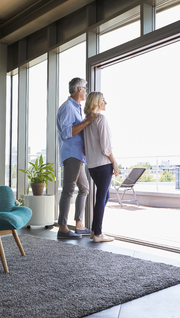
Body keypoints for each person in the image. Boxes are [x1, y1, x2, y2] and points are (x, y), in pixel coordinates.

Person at [56, 78, 98, 239]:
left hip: (78, 155)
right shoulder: (67, 108)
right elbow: (67, 133)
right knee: (68, 189)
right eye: (85, 88)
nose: (86, 91)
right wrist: (87, 121)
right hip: (71, 154)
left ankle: (79, 224)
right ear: (79, 89)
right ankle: (63, 228)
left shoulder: (77, 108)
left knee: (85, 188)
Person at [83, 92, 120, 243]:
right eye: (103, 100)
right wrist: (114, 163)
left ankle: (94, 230)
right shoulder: (101, 119)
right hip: (103, 164)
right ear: (97, 102)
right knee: (101, 197)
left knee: (105, 196)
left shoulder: (87, 121)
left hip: (92, 166)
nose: (106, 102)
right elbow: (106, 147)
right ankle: (98, 233)